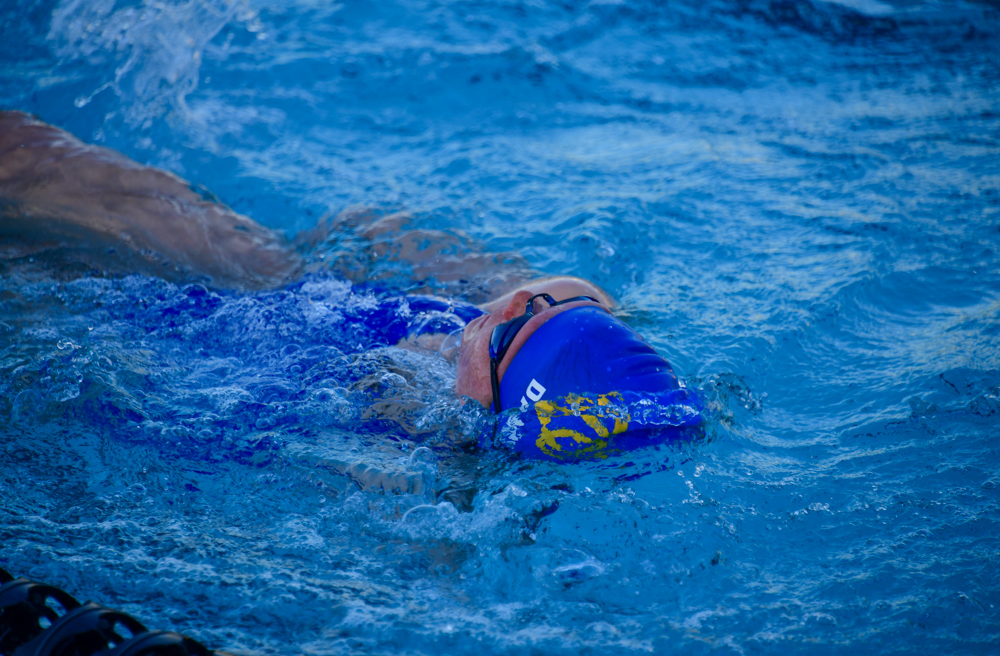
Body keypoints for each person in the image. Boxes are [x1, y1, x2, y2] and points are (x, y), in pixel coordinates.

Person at [0, 110, 702, 462]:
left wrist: (464, 418)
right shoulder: (482, 363)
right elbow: (578, 299)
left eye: (521, 318)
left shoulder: (411, 410)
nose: (523, 301)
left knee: (30, 169)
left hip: (207, 313)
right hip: (280, 284)